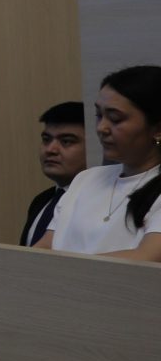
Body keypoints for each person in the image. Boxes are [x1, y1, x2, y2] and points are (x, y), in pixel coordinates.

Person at [34, 65, 161, 260]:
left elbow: (146, 258)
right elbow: (45, 247)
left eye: (115, 119)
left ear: (157, 129)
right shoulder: (86, 179)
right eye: (99, 116)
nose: (101, 128)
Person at [22, 100, 87, 246]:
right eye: (46, 140)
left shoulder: (101, 204)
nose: (50, 149)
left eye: (66, 141)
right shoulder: (41, 201)